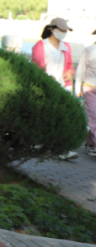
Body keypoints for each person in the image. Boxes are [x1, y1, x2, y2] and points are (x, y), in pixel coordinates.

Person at [33, 17, 77, 160]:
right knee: (45, 116)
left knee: (63, 117)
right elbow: (37, 67)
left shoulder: (66, 46)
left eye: (65, 30)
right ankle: (39, 144)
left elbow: (69, 65)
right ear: (52, 29)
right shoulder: (40, 46)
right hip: (46, 87)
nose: (63, 33)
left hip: (63, 87)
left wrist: (70, 72)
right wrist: (47, 80)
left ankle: (63, 149)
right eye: (61, 30)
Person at [74, 30, 96, 157]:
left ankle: (90, 143)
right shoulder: (90, 50)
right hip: (90, 89)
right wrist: (77, 88)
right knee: (94, 118)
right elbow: (80, 70)